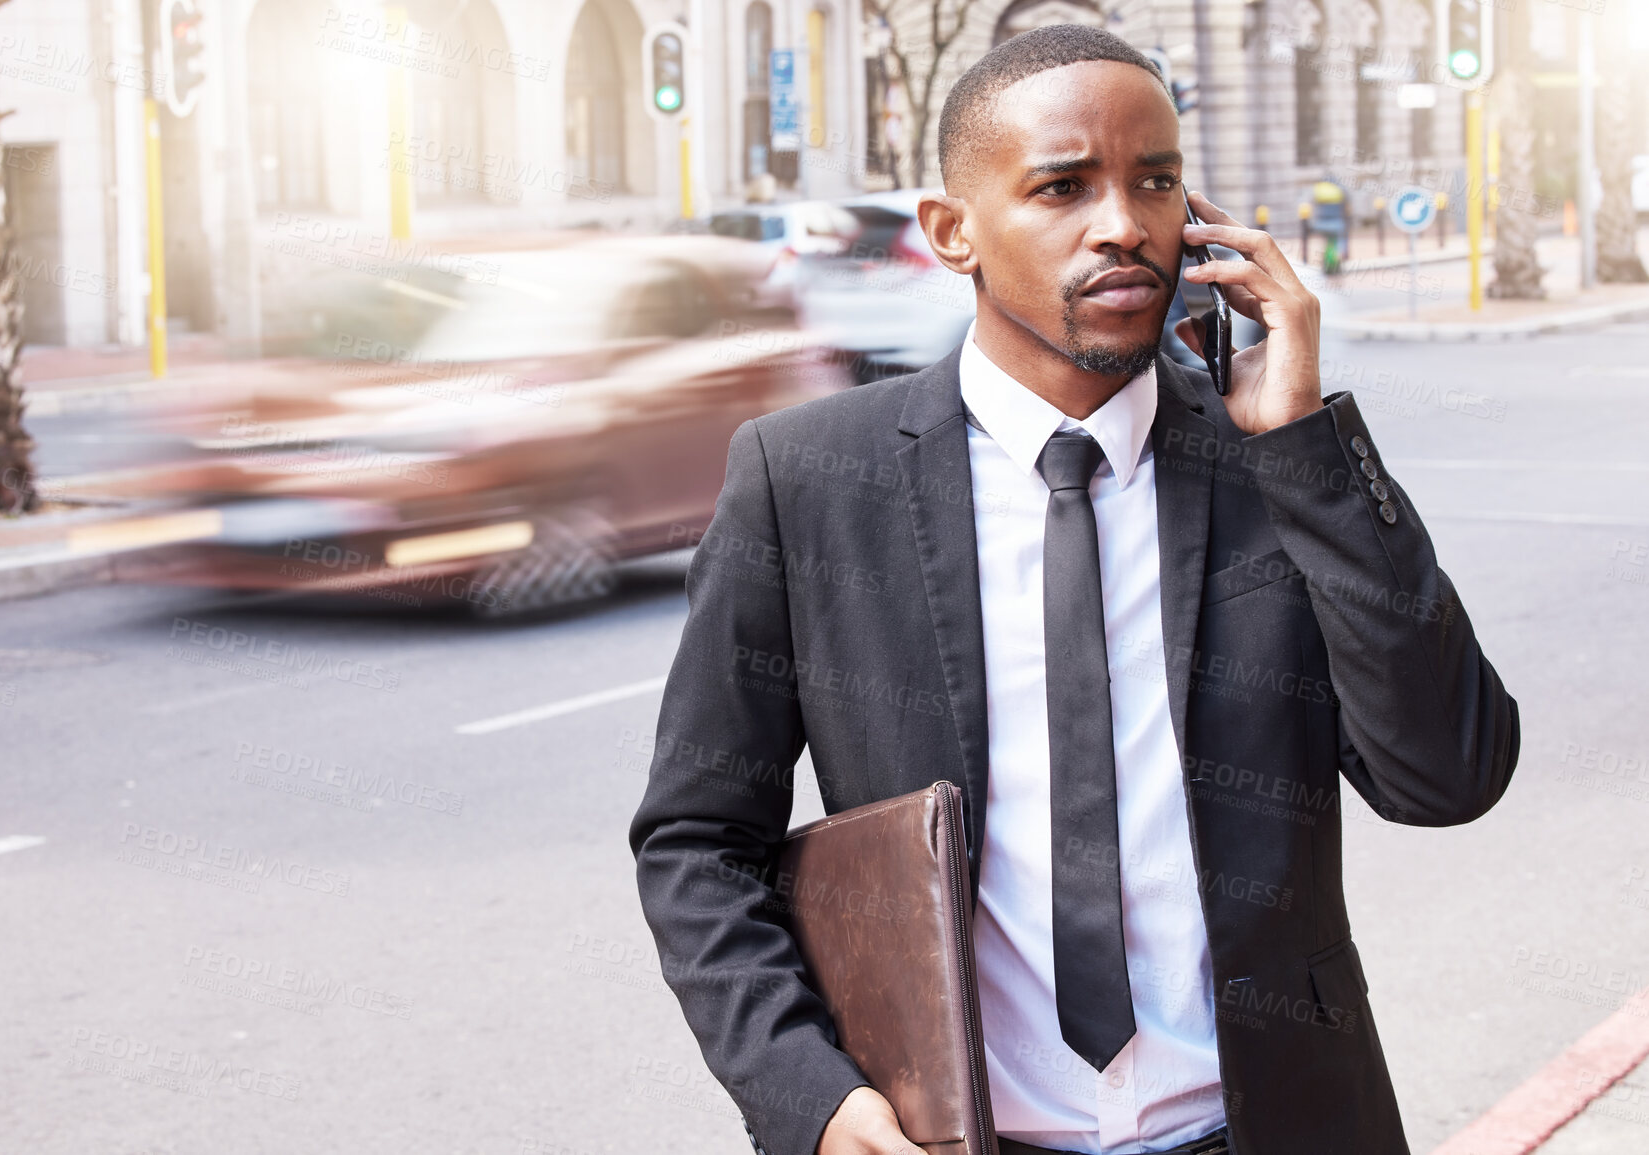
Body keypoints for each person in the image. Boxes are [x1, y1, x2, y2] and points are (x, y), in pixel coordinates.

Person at [629, 24, 1518, 1155]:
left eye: (1155, 181)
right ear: (954, 233)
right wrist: (811, 1094)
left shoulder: (1274, 469)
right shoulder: (807, 481)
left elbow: (1447, 776)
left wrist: (1308, 452)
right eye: (1063, 186)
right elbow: (698, 840)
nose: (1123, 225)